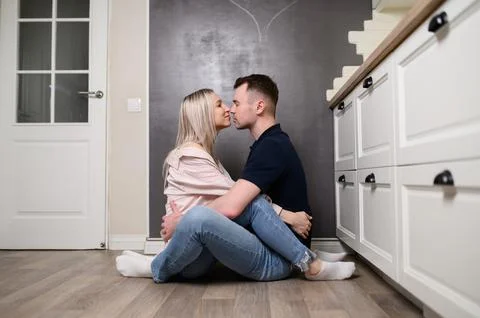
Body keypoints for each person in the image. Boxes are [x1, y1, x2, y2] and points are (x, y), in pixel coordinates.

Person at [116, 85, 355, 282]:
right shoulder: (191, 156)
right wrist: (289, 216)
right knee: (233, 206)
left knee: (243, 203)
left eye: (233, 103)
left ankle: (309, 260)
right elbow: (234, 200)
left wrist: (182, 219)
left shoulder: (212, 157)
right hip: (189, 255)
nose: (229, 109)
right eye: (220, 104)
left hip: (199, 252)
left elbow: (236, 200)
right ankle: (157, 267)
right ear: (203, 115)